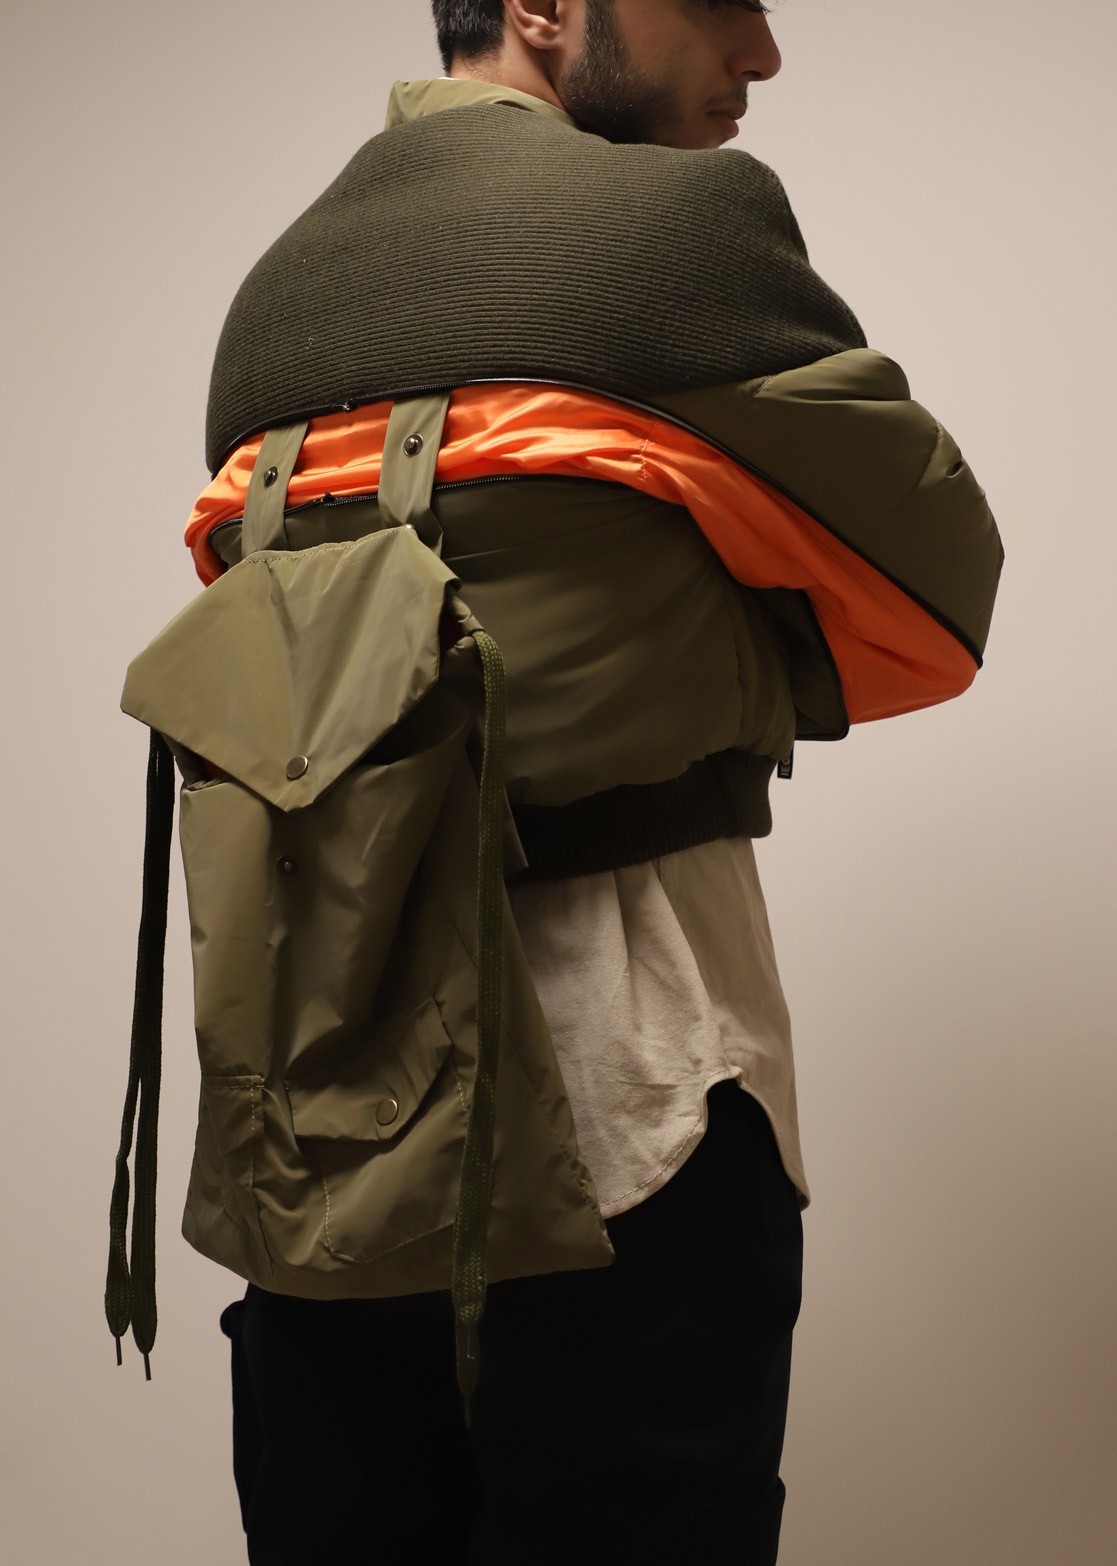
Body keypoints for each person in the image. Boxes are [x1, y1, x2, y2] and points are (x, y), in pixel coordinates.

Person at [176, 3, 1003, 1562]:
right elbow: (940, 592)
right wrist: (723, 621)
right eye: (719, 2)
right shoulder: (676, 234)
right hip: (628, 1099)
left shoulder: (266, 304)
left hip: (310, 1107)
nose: (759, 53)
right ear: (545, 7)